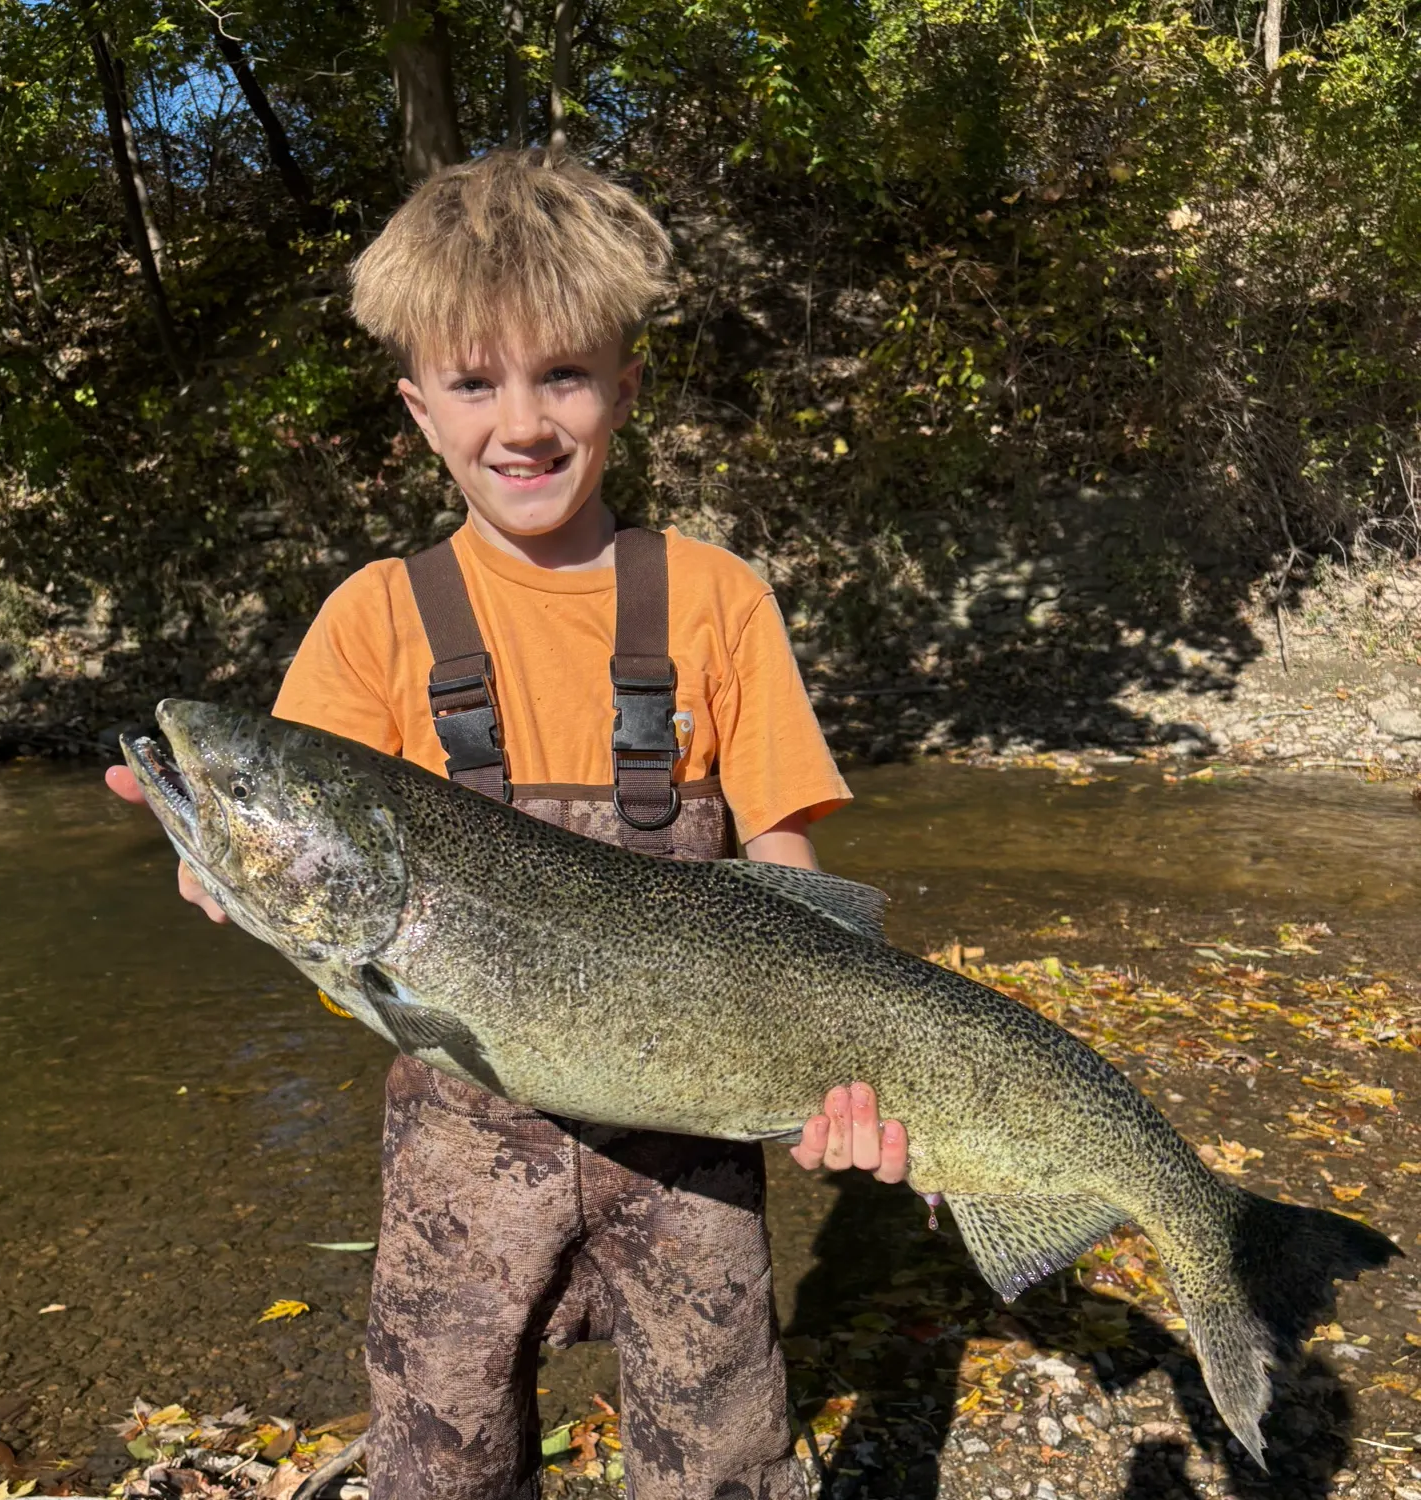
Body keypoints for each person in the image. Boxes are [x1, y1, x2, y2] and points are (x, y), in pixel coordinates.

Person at [107, 148, 911, 1500]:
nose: (520, 423)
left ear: (626, 388)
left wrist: (861, 1075)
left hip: (695, 1139)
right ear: (421, 410)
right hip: (458, 1149)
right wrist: (216, 871)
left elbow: (787, 868)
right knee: (440, 1454)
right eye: (475, 385)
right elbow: (300, 859)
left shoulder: (719, 601)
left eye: (562, 377)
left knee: (722, 1461)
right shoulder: (373, 621)